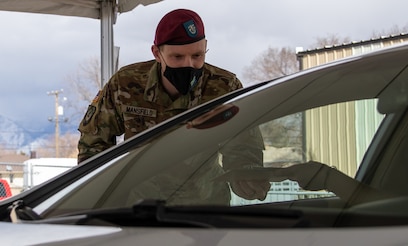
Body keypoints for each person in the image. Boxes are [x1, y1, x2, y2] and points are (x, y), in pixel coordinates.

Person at [77, 9, 270, 203]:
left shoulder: (223, 87)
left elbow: (243, 145)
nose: (189, 65)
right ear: (157, 53)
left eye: (197, 55)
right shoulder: (126, 83)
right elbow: (94, 142)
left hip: (206, 208)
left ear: (205, 48)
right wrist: (96, 196)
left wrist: (246, 176)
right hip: (139, 209)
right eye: (177, 57)